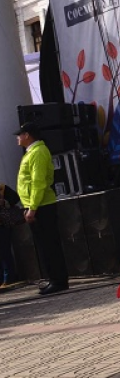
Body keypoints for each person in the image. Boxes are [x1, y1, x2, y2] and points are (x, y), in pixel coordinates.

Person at [14, 122, 69, 296]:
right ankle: (54, 279)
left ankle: (58, 280)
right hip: (38, 205)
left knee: (50, 245)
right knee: (45, 245)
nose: (18, 138)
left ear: (27, 135)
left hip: (42, 206)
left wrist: (32, 208)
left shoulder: (38, 152)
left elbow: (38, 182)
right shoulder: (33, 152)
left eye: (20, 134)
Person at [0, 183, 22, 290]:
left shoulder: (1, 188)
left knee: (4, 252)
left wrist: (4, 202)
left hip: (3, 225)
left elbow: (15, 199)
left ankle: (8, 279)